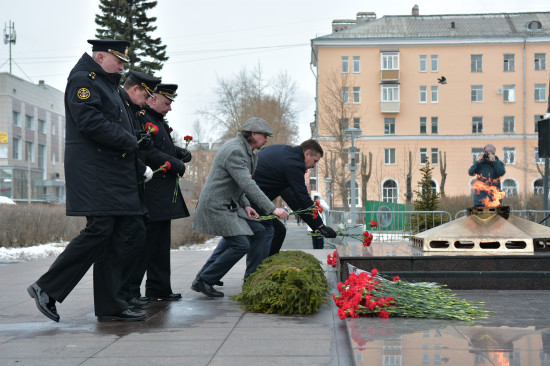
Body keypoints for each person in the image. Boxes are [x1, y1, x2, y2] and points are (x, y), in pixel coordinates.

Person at [27, 39, 151, 322]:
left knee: (121, 233)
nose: (122, 66)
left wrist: (137, 141)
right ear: (99, 56)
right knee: (100, 230)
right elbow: (90, 122)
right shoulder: (84, 80)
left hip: (112, 172)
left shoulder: (109, 84)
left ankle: (110, 304)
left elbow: (121, 123)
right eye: (118, 61)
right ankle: (46, 287)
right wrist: (130, 140)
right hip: (95, 171)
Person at [192, 117, 289, 297]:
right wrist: (273, 209)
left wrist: (245, 205)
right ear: (253, 134)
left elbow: (239, 184)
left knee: (259, 230)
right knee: (240, 244)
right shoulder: (235, 151)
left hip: (230, 206)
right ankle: (204, 280)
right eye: (264, 136)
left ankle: (252, 279)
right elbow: (248, 184)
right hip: (216, 207)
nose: (267, 140)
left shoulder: (248, 152)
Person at [130, 83, 192, 302]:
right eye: (167, 103)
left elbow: (163, 149)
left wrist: (180, 152)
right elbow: (149, 152)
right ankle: (133, 291)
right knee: (147, 245)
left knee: (160, 244)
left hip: (163, 193)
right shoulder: (142, 119)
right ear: (152, 99)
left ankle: (159, 287)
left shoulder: (157, 121)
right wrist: (177, 164)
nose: (170, 108)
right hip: (152, 190)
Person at [116, 70, 161, 310]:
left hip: (134, 182)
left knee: (138, 237)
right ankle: (121, 294)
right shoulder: (121, 106)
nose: (147, 102)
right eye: (146, 96)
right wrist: (141, 166)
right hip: (123, 182)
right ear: (134, 90)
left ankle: (128, 292)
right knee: (129, 239)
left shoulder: (131, 109)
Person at [253, 139, 337, 256]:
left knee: (275, 231)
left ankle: (264, 265)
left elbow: (295, 201)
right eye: (315, 161)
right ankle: (262, 267)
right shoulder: (294, 164)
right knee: (275, 231)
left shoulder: (284, 152)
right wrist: (320, 226)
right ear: (307, 153)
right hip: (250, 202)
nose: (314, 165)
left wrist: (316, 226)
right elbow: (303, 198)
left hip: (249, 198)